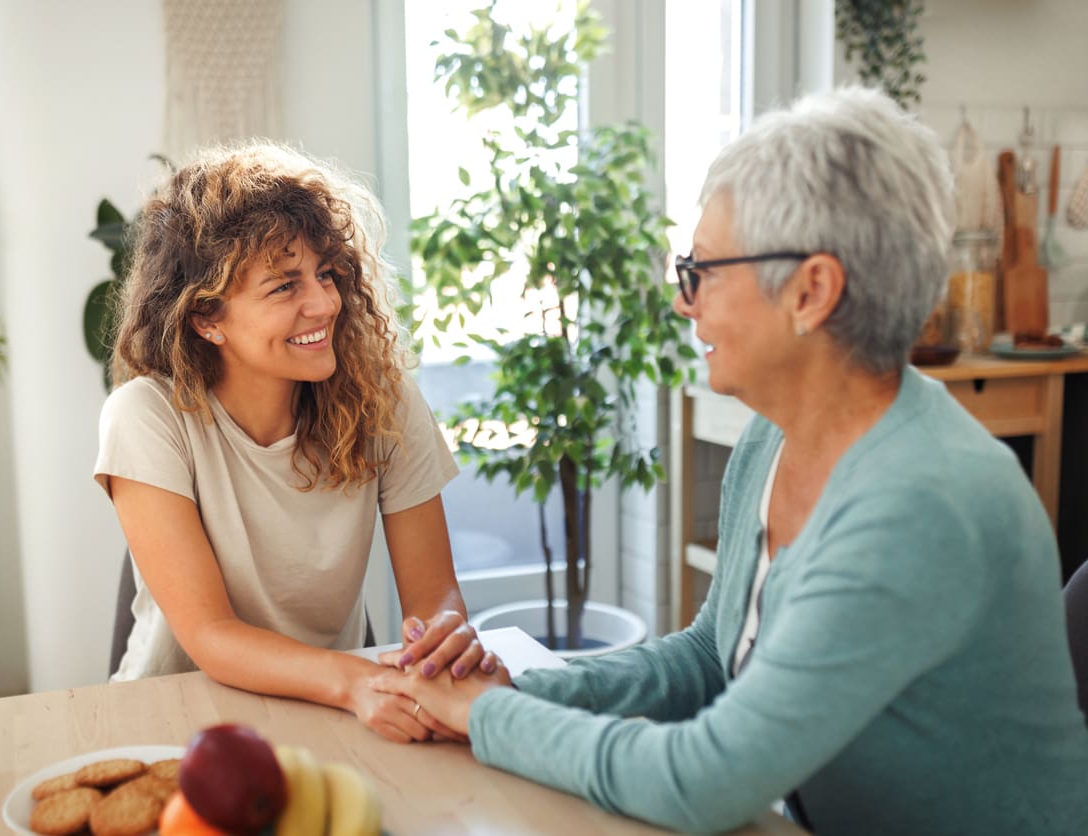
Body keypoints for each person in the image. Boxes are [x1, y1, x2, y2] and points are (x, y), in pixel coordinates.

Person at [374, 86, 1088, 833]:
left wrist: (487, 715)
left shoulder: (924, 501)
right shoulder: (775, 435)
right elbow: (708, 659)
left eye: (704, 270)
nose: (685, 302)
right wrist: (519, 688)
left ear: (811, 290)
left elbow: (703, 781)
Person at [94, 140, 496, 743]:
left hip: (331, 713)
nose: (326, 302)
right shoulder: (147, 416)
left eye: (326, 273)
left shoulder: (381, 399)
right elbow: (211, 635)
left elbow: (433, 590)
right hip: (175, 725)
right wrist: (357, 682)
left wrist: (440, 640)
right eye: (285, 286)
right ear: (207, 318)